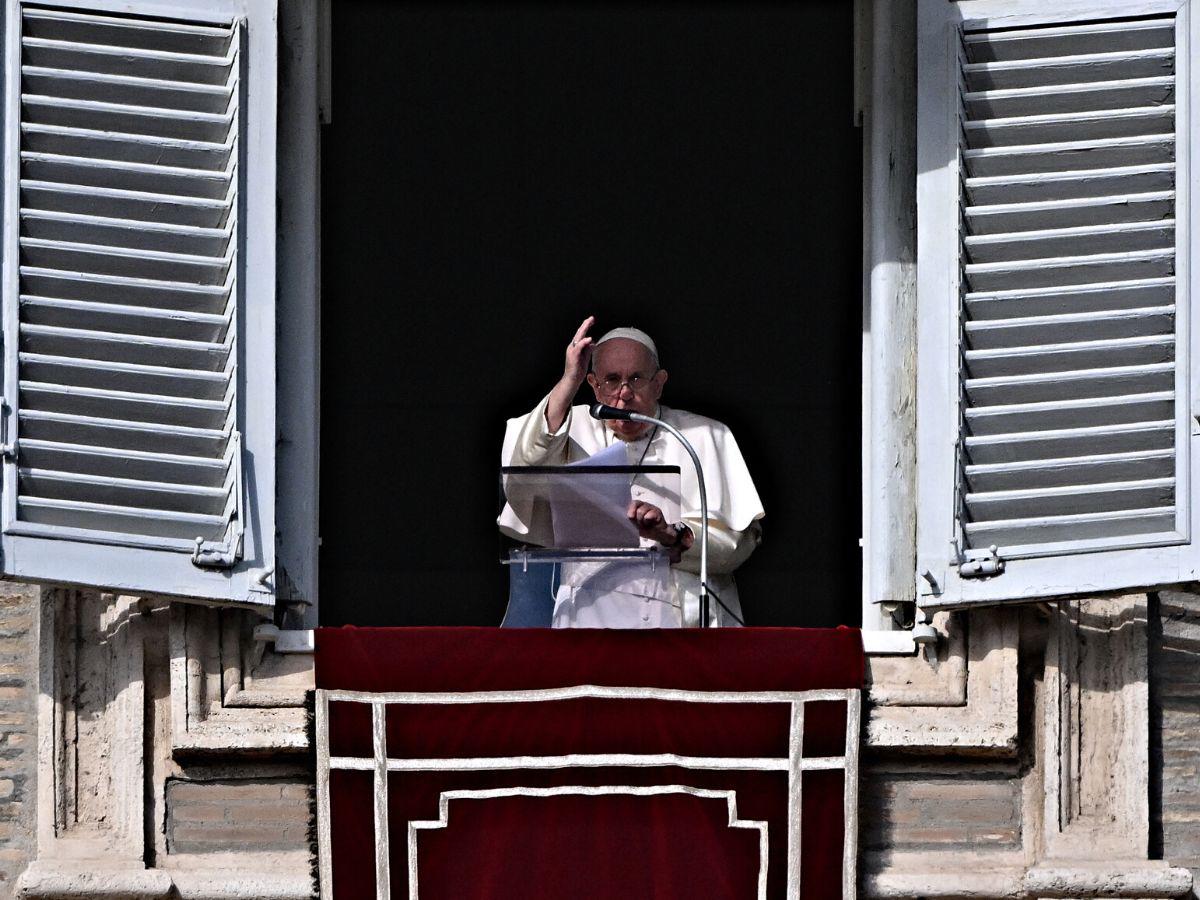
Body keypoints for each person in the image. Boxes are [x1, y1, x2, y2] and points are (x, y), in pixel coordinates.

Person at [499, 316, 764, 628]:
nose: (624, 393)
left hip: (682, 621)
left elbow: (737, 544)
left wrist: (671, 535)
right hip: (588, 622)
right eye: (611, 380)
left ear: (659, 383)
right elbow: (523, 478)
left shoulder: (703, 435)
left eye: (636, 379)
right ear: (593, 384)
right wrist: (569, 380)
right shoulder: (566, 428)